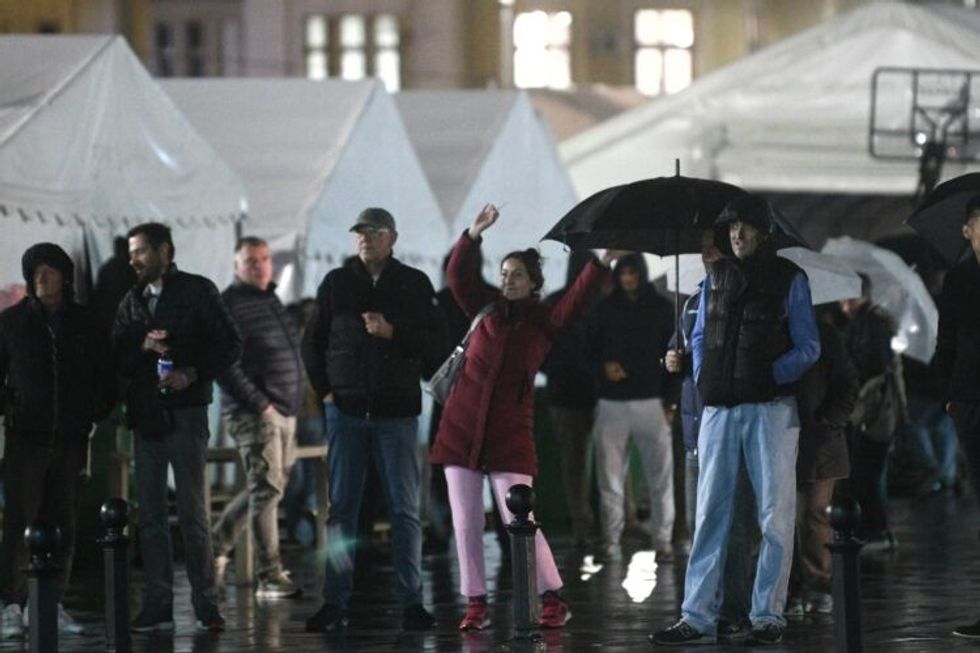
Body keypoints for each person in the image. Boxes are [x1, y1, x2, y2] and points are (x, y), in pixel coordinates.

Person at [430, 204, 615, 632]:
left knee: (521, 522)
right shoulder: (486, 309)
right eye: (505, 272)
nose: (508, 279)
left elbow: (577, 299)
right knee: (465, 522)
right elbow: (459, 276)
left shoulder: (544, 321)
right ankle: (475, 602)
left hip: (509, 435)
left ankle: (553, 597)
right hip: (460, 430)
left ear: (533, 282)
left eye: (516, 274)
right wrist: (473, 235)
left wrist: (600, 262)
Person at [652, 194, 820, 646]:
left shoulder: (790, 278)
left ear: (763, 232)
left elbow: (809, 346)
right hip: (722, 409)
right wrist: (707, 377)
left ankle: (767, 615)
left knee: (774, 516)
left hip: (770, 409)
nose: (736, 235)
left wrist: (769, 376)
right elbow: (702, 334)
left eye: (744, 228)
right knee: (710, 514)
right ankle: (697, 615)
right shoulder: (715, 279)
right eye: (730, 229)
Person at [302, 208, 444, 632]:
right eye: (360, 231)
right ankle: (335, 602)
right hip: (345, 412)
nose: (366, 237)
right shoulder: (336, 283)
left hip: (396, 414)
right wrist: (324, 391)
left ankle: (411, 602)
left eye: (374, 231)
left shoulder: (414, 285)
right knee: (341, 509)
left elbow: (436, 346)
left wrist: (392, 333)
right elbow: (313, 341)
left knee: (403, 510)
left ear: (392, 238)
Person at [112, 222, 242, 633]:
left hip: (186, 411)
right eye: (131, 252)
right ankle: (158, 604)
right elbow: (115, 356)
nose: (134, 259)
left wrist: (191, 372)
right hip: (147, 413)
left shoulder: (197, 291)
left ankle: (206, 603)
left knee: (192, 512)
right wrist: (140, 346)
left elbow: (230, 343)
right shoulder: (131, 301)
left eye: (141, 251)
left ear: (165, 252)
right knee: (149, 515)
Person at [0, 243, 111, 638]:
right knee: (19, 523)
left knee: (62, 523)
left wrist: (94, 411)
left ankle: (49, 604)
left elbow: (104, 372)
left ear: (65, 276)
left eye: (49, 271)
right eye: (35, 273)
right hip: (25, 438)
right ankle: (11, 604)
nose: (41, 279)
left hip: (70, 438)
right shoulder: (11, 324)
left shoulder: (85, 323)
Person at [664, 229, 756, 641]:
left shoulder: (744, 297)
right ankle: (700, 608)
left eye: (713, 249)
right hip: (694, 432)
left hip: (730, 429)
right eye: (703, 250)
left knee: (734, 525)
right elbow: (678, 351)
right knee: (699, 525)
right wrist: (671, 360)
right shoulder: (690, 304)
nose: (707, 256)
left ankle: (733, 608)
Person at [211, 237, 304, 598]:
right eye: (251, 261)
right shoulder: (229, 305)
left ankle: (217, 544)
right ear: (236, 266)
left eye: (264, 259)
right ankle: (269, 574)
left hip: (283, 409)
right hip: (258, 413)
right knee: (266, 488)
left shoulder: (269, 298)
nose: (260, 266)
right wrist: (259, 403)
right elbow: (225, 364)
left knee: (268, 487)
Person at [586, 253, 676, 561]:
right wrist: (602, 368)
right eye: (623, 273)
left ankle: (660, 539)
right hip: (617, 402)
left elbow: (675, 356)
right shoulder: (607, 310)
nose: (628, 278)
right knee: (613, 479)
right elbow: (588, 352)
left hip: (648, 400)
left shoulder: (660, 309)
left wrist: (670, 400)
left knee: (656, 478)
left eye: (631, 272)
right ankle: (615, 539)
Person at [786, 307, 858, 616]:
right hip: (785, 435)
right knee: (784, 518)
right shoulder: (771, 330)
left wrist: (827, 420)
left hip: (819, 440)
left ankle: (817, 584)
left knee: (812, 514)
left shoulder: (824, 334)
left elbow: (846, 383)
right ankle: (791, 589)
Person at [541, 250, 601, 549]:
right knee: (607, 463)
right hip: (598, 392)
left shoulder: (553, 302)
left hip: (564, 393)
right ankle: (598, 522)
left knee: (573, 464)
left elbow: (539, 353)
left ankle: (582, 524)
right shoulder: (600, 302)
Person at [838, 274, 902, 552]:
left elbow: (872, 361)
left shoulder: (871, 322)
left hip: (873, 410)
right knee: (868, 471)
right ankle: (876, 530)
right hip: (872, 408)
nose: (842, 305)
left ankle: (877, 532)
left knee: (868, 472)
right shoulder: (867, 321)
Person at [943, 196, 980, 639]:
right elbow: (946, 340)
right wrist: (949, 394)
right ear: (967, 231)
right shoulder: (959, 279)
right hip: (970, 399)